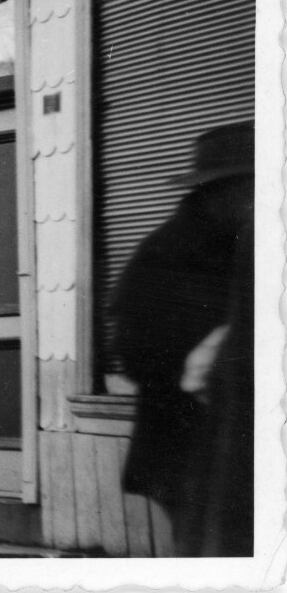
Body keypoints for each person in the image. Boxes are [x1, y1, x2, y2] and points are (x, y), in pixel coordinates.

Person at [104, 121, 254, 556]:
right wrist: (202, 360)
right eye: (250, 188)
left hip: (226, 446)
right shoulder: (170, 252)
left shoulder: (241, 243)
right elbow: (131, 351)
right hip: (184, 446)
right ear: (218, 191)